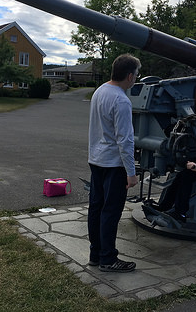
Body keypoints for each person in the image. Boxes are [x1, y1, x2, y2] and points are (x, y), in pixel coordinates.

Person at [87, 53, 141, 273]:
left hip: (96, 160)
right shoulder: (121, 100)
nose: (137, 78)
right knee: (110, 211)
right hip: (113, 165)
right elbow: (125, 140)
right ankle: (108, 259)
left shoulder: (100, 91)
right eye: (137, 75)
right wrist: (131, 172)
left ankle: (96, 254)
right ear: (129, 76)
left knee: (96, 209)